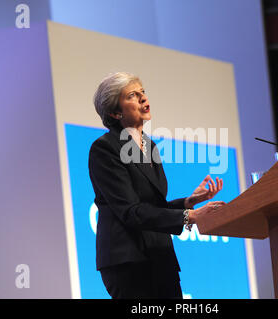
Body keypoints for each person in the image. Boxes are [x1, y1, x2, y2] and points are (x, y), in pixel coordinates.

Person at [89, 72, 225, 299]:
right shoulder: (105, 149)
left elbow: (152, 206)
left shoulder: (149, 146)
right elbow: (131, 212)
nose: (143, 98)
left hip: (160, 256)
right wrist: (190, 216)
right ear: (115, 112)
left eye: (143, 92)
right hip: (129, 261)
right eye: (133, 95)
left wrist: (188, 202)